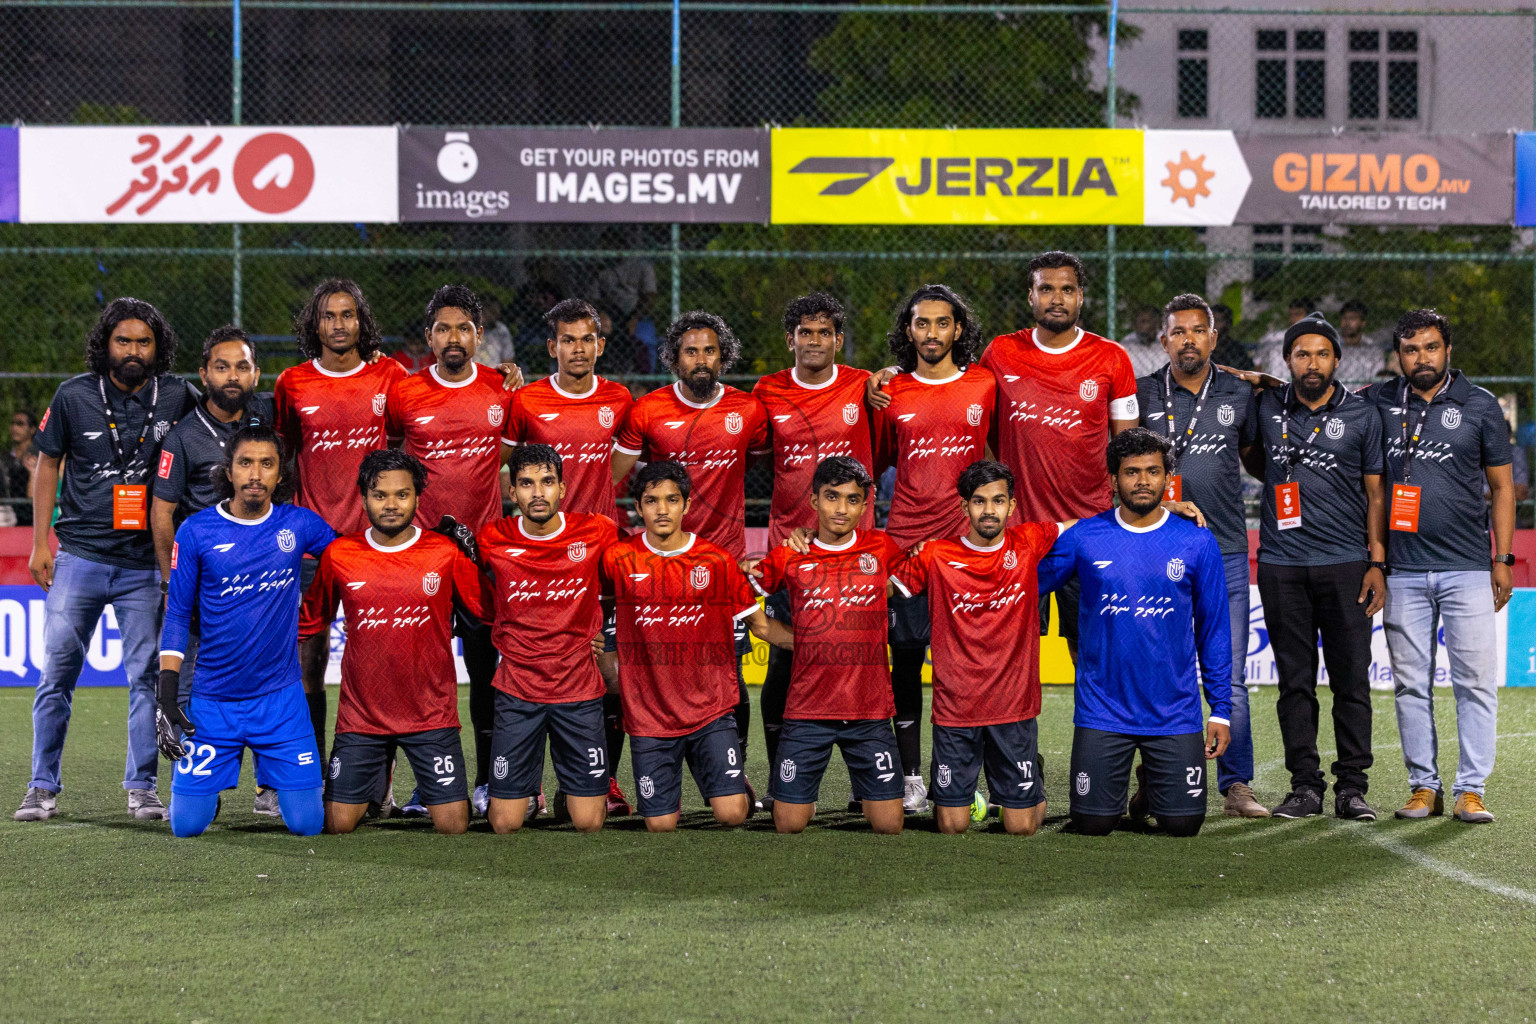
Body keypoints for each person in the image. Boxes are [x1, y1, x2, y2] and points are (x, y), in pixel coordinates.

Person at [16, 298, 198, 823]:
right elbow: (48, 464)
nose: (134, 350)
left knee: (146, 677)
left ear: (157, 347)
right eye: (124, 341)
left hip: (145, 564)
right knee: (56, 676)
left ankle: (141, 787)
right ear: (107, 345)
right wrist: (39, 542)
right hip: (78, 556)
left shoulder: (178, 396)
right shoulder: (73, 395)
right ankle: (41, 785)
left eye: (144, 341)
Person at [1361, 309, 1516, 824]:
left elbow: (1502, 488)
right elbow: (1322, 400)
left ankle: (1470, 789)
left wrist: (1502, 558)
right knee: (1410, 684)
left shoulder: (1481, 406)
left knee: (1475, 682)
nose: (1420, 358)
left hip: (1469, 568)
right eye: (1410, 350)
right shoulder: (1381, 401)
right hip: (1402, 571)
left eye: (1430, 347)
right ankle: (1423, 786)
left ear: (1448, 350)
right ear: (1398, 355)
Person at [1037, 428, 1232, 838]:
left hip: (1173, 712)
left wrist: (1219, 710)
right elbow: (1026, 581)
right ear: (1112, 480)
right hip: (1102, 710)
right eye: (1131, 472)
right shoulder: (1085, 537)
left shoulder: (1196, 542)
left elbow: (1214, 628)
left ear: (1167, 479)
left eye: (1152, 472)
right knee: (1092, 824)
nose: (1143, 481)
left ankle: (1150, 787)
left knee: (1183, 825)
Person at [611, 310, 770, 793]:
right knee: (638, 672)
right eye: (690, 351)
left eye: (709, 351)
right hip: (657, 567)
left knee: (730, 676)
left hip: (722, 567)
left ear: (723, 357)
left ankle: (732, 774)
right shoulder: (646, 411)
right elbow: (612, 478)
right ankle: (611, 783)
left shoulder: (748, 411)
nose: (700, 360)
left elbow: (773, 467)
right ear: (673, 358)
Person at [156, 425, 335, 837]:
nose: (255, 474)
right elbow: (179, 614)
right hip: (213, 702)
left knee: (308, 824)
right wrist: (167, 693)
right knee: (187, 826)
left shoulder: (301, 525)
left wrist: (427, 545)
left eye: (266, 464)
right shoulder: (196, 531)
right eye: (246, 463)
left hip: (282, 701)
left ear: (280, 473)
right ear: (230, 471)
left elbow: (356, 557)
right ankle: (209, 791)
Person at [1243, 311, 1387, 821]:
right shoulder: (1265, 406)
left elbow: (1376, 494)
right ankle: (1305, 785)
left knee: (1352, 682)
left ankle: (1352, 787)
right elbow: (1252, 457)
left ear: (1337, 360)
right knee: (1294, 683)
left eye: (1322, 353)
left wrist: (1376, 561)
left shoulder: (1363, 414)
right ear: (1287, 360)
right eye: (1301, 353)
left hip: (1347, 563)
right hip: (1281, 565)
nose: (1312, 362)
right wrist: (1254, 379)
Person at [299, 449, 487, 835]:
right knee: (336, 825)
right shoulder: (339, 554)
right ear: (363, 497)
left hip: (430, 717)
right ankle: (377, 785)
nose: (391, 504)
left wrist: (480, 563)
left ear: (418, 497)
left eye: (402, 494)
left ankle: (391, 785)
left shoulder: (444, 552)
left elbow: (488, 616)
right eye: (379, 495)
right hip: (361, 719)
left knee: (453, 827)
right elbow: (310, 624)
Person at [601, 461, 793, 832]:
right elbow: (597, 610)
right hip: (649, 717)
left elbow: (762, 625)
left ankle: (725, 779)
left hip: (710, 713)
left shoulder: (717, 561)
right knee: (659, 825)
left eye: (672, 500)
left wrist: (821, 641)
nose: (661, 509)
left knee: (732, 813)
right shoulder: (618, 558)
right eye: (651, 500)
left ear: (686, 506)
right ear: (638, 507)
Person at [1136, 293, 1268, 819]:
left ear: (1214, 338)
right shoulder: (1143, 393)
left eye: (1198, 331)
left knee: (1228, 673)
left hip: (1226, 550)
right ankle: (1154, 783)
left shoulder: (1240, 392)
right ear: (1163, 339)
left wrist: (1267, 384)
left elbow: (1260, 461)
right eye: (1178, 331)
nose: (1188, 339)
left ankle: (1236, 784)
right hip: (1153, 549)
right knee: (1157, 670)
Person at [971, 251, 1139, 662]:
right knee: (1009, 655)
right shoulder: (1000, 353)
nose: (1057, 298)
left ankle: (1099, 729)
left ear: (1082, 297)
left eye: (1067, 289)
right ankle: (1009, 729)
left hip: (1090, 530)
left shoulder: (1111, 357)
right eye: (1046, 288)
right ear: (1031, 296)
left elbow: (1129, 448)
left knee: (1094, 656)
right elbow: (977, 425)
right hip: (1020, 533)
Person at [385, 284, 513, 817]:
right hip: (422, 559)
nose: (454, 338)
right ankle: (429, 785)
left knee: (487, 674)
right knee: (422, 677)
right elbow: (390, 457)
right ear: (429, 337)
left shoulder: (502, 390)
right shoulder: (406, 393)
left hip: (482, 559)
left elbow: (516, 457)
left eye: (464, 328)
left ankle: (489, 782)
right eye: (443, 329)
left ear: (479, 336)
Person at [892, 461, 1071, 835]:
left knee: (1021, 827)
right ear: (963, 507)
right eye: (978, 501)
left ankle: (1029, 779)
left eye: (998, 500)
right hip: (956, 709)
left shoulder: (1029, 540)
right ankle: (976, 788)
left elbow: (1086, 527)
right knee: (951, 826)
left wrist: (1164, 510)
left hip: (1013, 706)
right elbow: (887, 584)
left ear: (1012, 504)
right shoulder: (936, 554)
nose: (989, 510)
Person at [506, 297, 635, 815]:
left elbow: (617, 470)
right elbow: (505, 474)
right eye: (568, 339)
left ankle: (599, 782)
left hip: (597, 560)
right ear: (551, 346)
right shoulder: (528, 401)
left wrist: (587, 524)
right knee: (529, 669)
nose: (578, 349)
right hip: (537, 562)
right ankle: (526, 784)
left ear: (600, 345)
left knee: (611, 676)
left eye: (587, 339)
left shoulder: (620, 399)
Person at [870, 284, 996, 812]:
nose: (932, 334)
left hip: (965, 554)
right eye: (921, 324)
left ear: (958, 329)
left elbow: (998, 453)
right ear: (908, 331)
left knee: (969, 668)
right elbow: (872, 466)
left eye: (942, 323)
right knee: (904, 667)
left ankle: (984, 771)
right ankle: (911, 777)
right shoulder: (889, 391)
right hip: (904, 552)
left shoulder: (985, 385)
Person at [274, 279, 406, 763]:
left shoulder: (389, 376)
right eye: (328, 316)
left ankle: (379, 780)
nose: (338, 325)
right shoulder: (292, 383)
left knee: (377, 663)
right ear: (315, 324)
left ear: (361, 321)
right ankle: (306, 768)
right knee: (307, 661)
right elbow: (282, 457)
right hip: (310, 547)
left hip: (374, 546)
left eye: (347, 315)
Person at [751, 293, 875, 794]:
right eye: (805, 332)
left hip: (854, 554)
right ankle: (783, 773)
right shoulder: (768, 391)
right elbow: (756, 457)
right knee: (786, 658)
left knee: (859, 657)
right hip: (793, 550)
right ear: (790, 340)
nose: (814, 341)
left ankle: (866, 777)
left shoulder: (864, 385)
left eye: (824, 332)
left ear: (838, 340)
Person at [747, 457, 908, 836]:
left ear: (865, 506)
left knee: (889, 825)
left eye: (853, 500)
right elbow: (743, 590)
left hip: (868, 713)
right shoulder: (791, 554)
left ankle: (870, 791)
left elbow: (919, 575)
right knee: (788, 825)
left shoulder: (881, 548)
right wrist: (794, 638)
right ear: (813, 499)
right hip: (808, 712)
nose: (841, 509)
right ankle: (802, 797)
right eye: (832, 497)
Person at [150, 325, 273, 811]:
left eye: (241, 366)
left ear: (256, 373)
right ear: (203, 374)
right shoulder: (182, 438)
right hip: (205, 588)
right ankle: (204, 784)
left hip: (264, 584)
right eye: (221, 367)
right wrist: (170, 580)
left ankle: (270, 786)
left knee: (267, 682)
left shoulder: (265, 419)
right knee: (196, 686)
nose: (231, 376)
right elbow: (161, 512)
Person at [477, 444, 621, 835]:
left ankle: (567, 793)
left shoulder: (597, 531)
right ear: (512, 493)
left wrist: (609, 638)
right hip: (517, 688)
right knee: (504, 824)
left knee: (589, 823)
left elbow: (633, 576)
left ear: (563, 488)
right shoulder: (492, 538)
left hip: (578, 688)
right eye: (526, 484)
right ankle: (530, 788)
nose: (537, 493)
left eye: (546, 482)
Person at [1334, 299, 1391, 387]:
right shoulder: (1332, 345)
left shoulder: (1373, 349)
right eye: (1344, 318)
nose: (1347, 323)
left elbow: (1378, 379)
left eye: (1352, 318)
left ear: (1363, 323)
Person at [1256, 297, 1314, 378]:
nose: (1293, 319)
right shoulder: (1274, 338)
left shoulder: (1318, 340)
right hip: (1276, 383)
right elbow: (1258, 362)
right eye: (1291, 315)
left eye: (1298, 314)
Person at [1, 409, 37, 526]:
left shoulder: (39, 456)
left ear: (32, 429)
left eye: (20, 424)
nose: (15, 428)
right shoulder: (4, 458)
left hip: (32, 514)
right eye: (13, 423)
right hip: (7, 513)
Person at [1118, 304, 1165, 377]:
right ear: (1134, 325)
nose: (1144, 326)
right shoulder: (1126, 345)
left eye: (1148, 321)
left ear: (1157, 324)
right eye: (1142, 321)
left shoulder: (1169, 343)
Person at [1209, 304, 1254, 372]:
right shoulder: (1199, 345)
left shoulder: (1236, 350)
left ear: (1228, 324)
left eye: (1218, 320)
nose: (1214, 324)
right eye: (1211, 320)